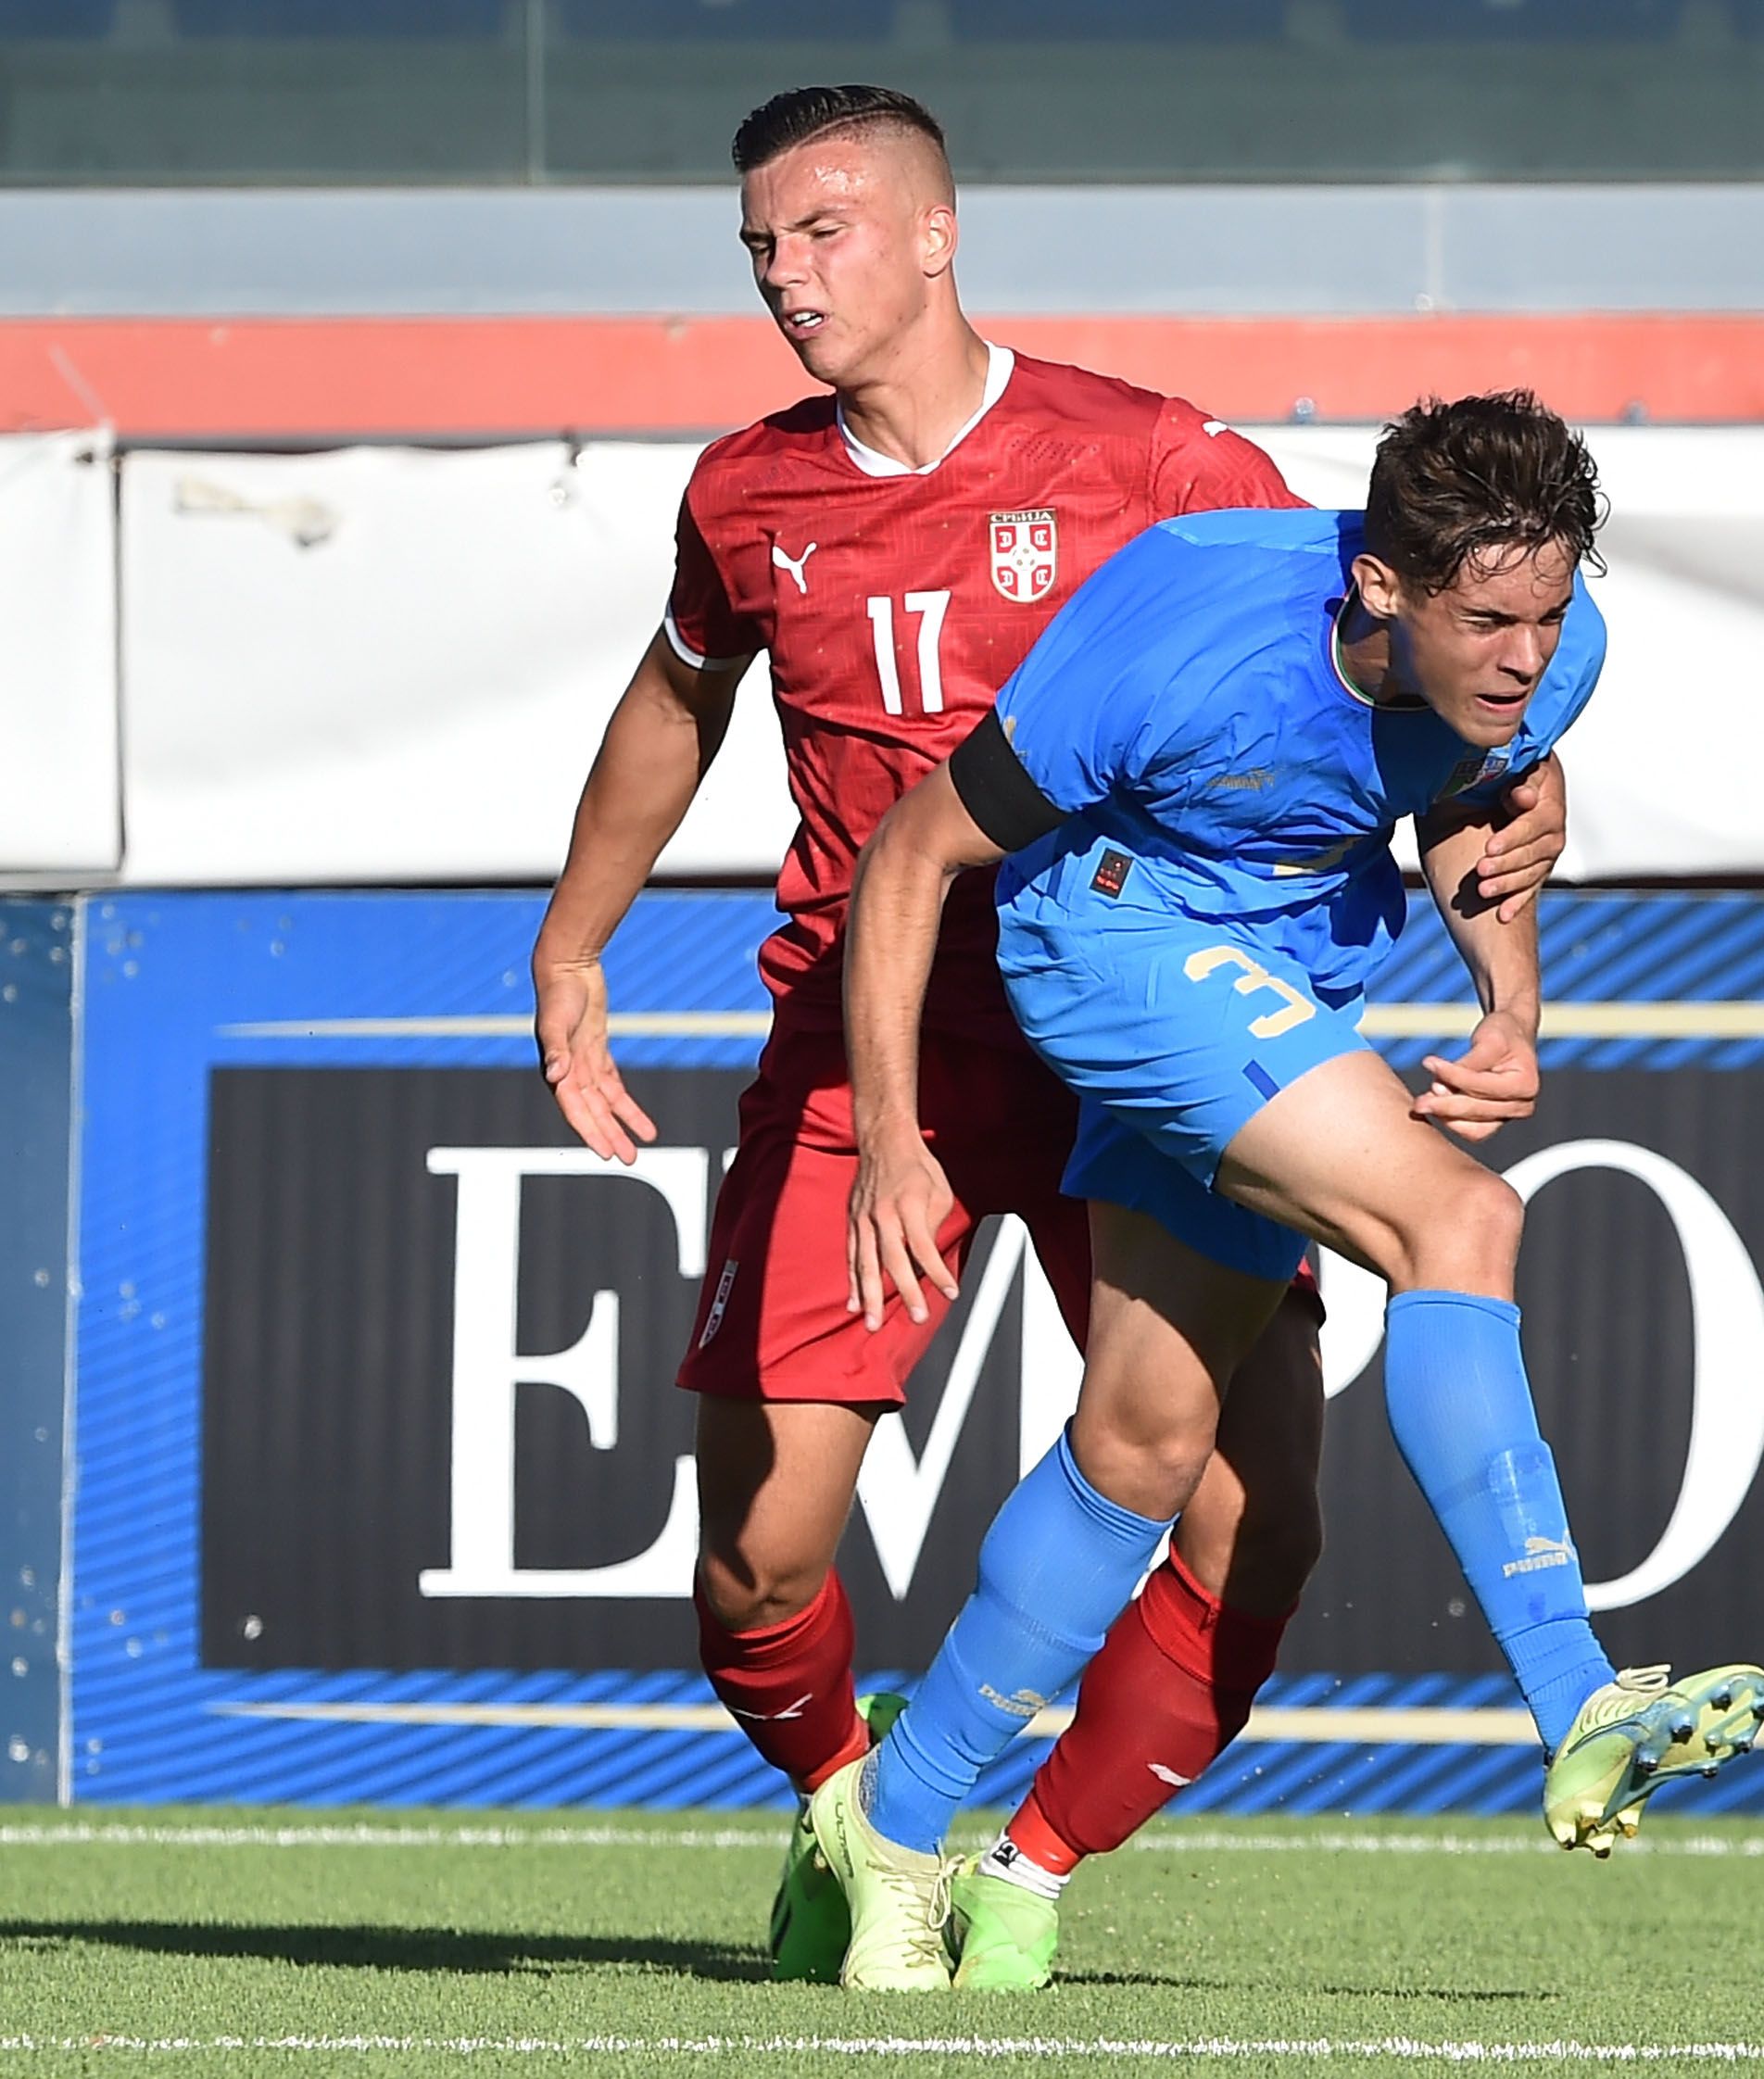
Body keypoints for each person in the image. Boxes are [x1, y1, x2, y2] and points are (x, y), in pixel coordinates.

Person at [526, 85, 1573, 1989]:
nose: (785, 274)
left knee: (1256, 1532)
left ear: (939, 234)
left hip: (1140, 1035)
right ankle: (862, 1827)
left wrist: (1524, 803)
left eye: (825, 230)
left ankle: (1024, 1864)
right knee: (759, 1561)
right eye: (760, 244)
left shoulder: (1158, 461)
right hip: (873, 1051)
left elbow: (1384, 671)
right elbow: (677, 700)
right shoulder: (745, 493)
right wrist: (574, 941)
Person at [826, 392, 1764, 1993]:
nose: (1528, 655)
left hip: (1280, 987)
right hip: (1110, 945)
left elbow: (1483, 810)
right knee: (1461, 1217)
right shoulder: (1185, 624)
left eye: (1548, 613)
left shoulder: (1552, 648)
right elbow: (914, 853)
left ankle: (911, 1836)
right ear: (1380, 588)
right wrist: (889, 1139)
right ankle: (1580, 1693)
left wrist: (1511, 1009)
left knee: (1148, 1451)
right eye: (1490, 619)